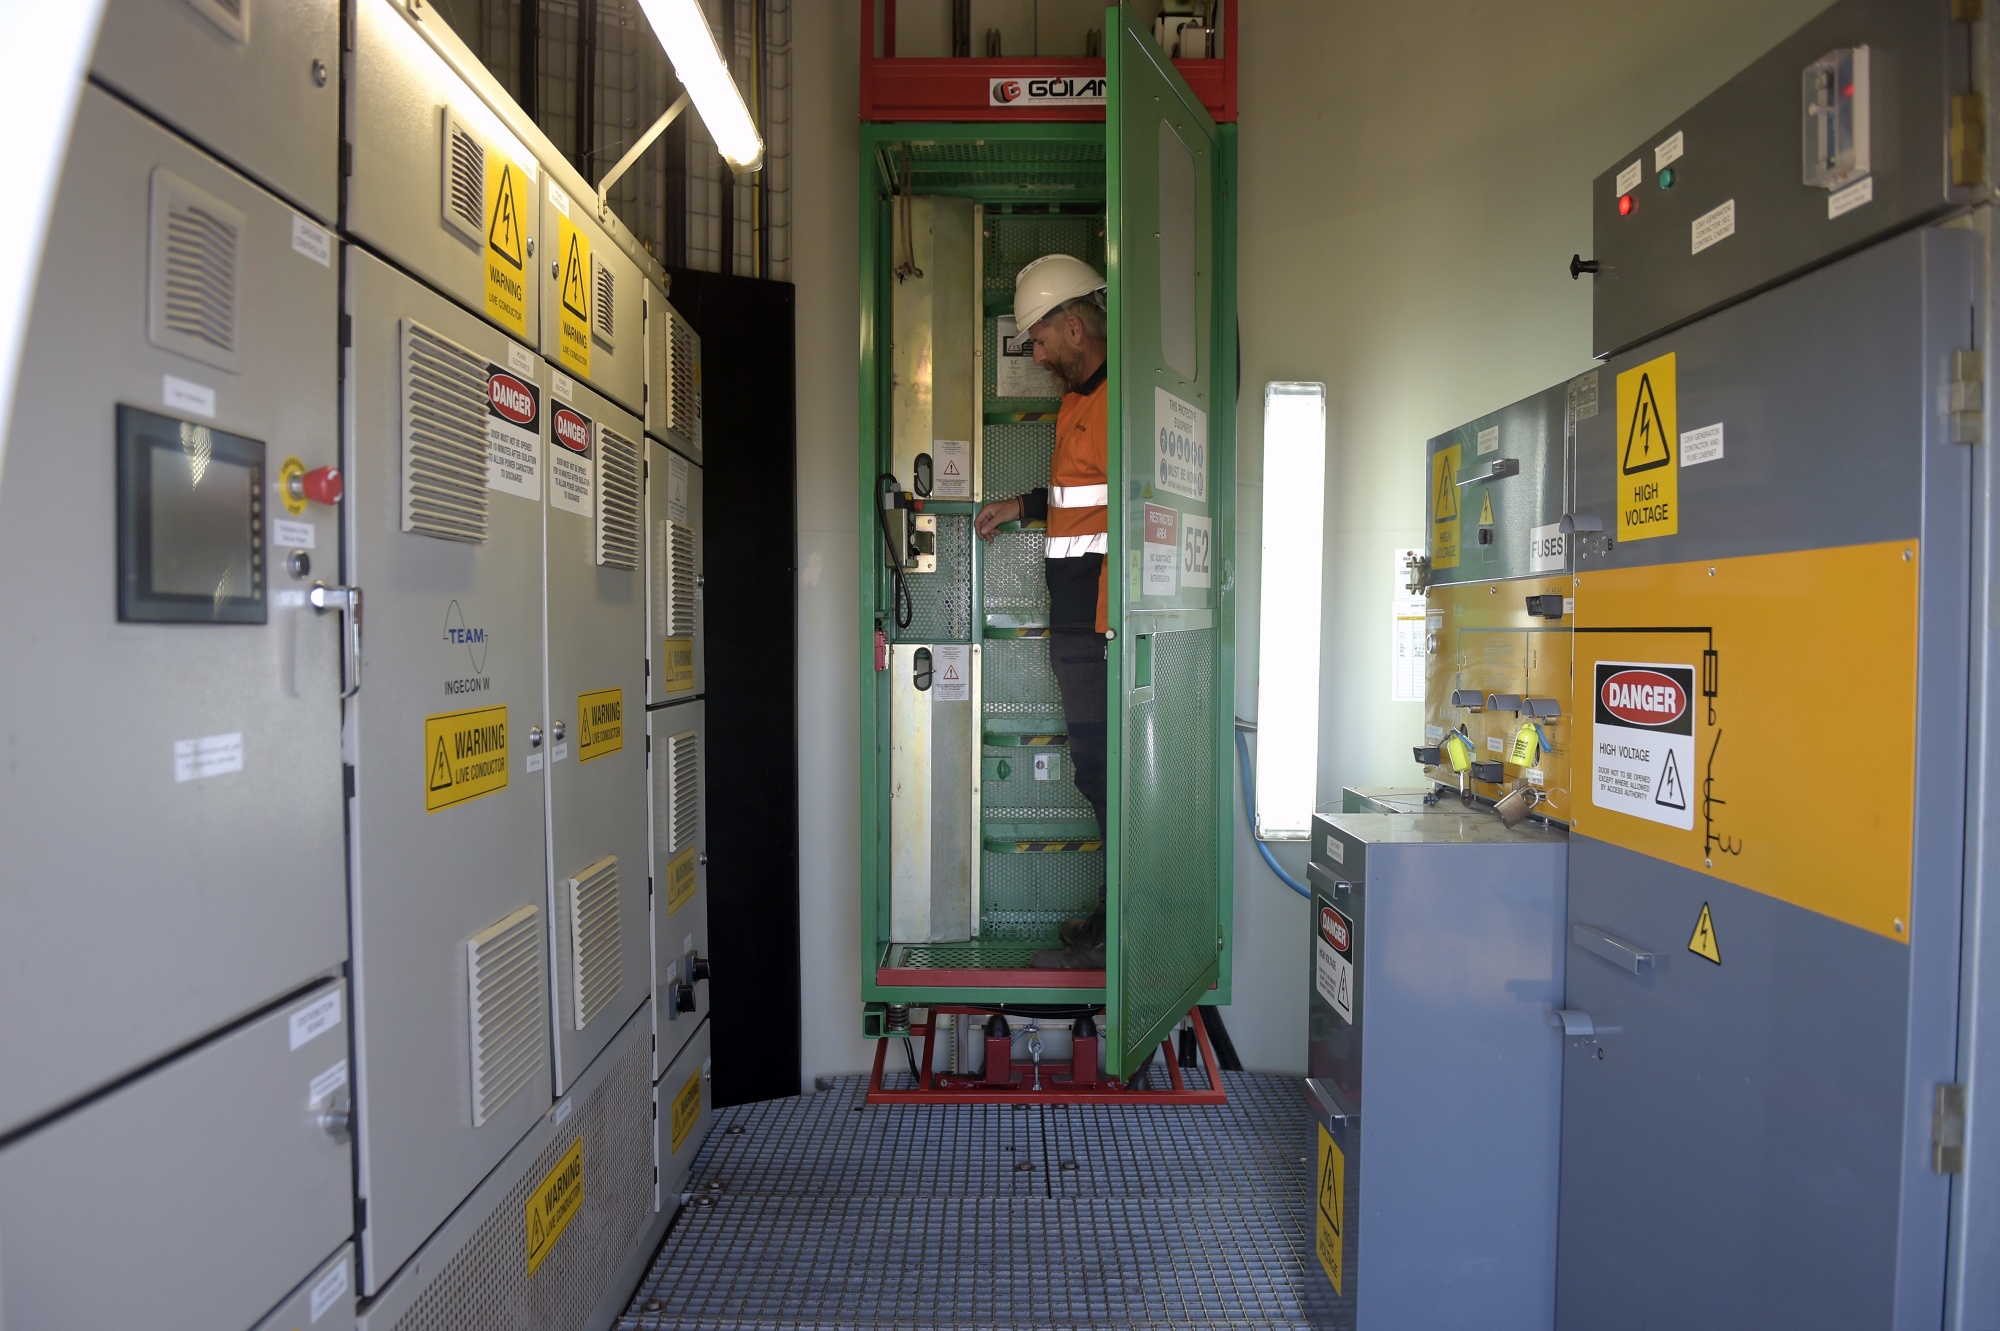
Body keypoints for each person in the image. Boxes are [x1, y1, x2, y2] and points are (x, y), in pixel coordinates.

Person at [975, 254, 1112, 970]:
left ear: (1074, 326)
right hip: (1077, 620)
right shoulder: (1081, 400)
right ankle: (1116, 914)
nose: (1034, 351)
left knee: (1105, 770)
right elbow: (1077, 497)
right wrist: (1017, 505)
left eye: (1039, 336)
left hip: (1102, 624)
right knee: (1095, 769)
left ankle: (1122, 922)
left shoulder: (1119, 400)